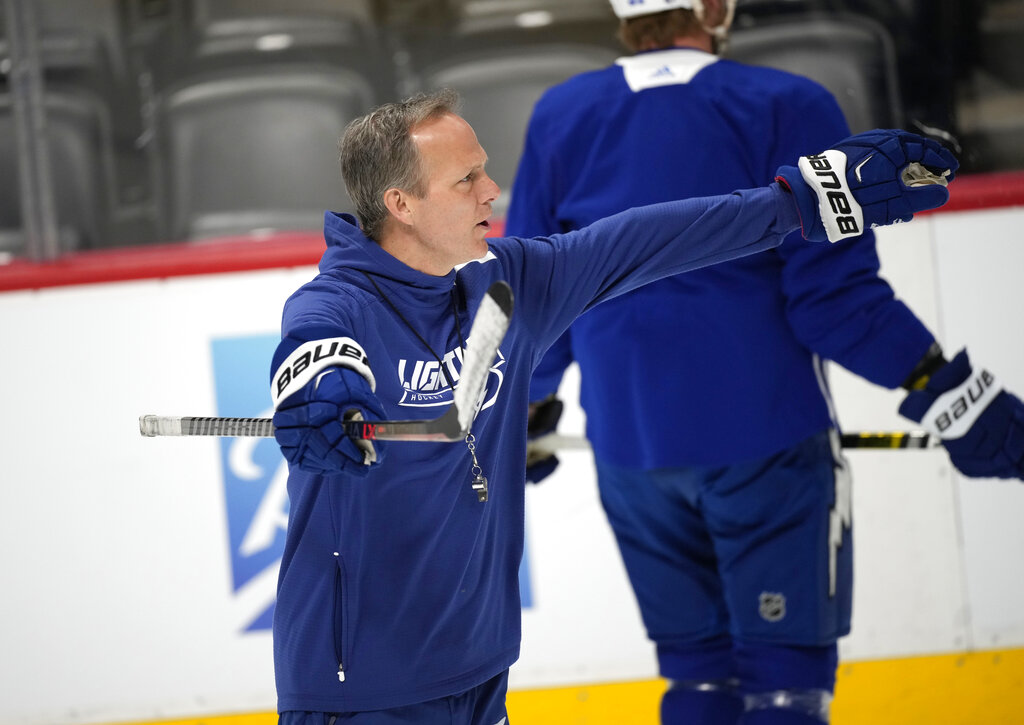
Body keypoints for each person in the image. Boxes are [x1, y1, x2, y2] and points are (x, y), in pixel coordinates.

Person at [267, 85, 956, 724]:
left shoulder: (508, 285)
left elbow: (651, 238)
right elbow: (317, 359)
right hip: (355, 695)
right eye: (466, 179)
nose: (492, 190)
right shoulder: (337, 307)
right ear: (401, 204)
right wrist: (321, 403)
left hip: (479, 676)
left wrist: (801, 200)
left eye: (484, 169)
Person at [505, 2, 1024, 724]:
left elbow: (537, 288)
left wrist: (525, 413)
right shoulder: (788, 102)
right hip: (768, 446)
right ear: (714, 8)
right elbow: (834, 301)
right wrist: (950, 391)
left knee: (697, 685)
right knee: (785, 690)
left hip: (632, 459)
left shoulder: (560, 114)